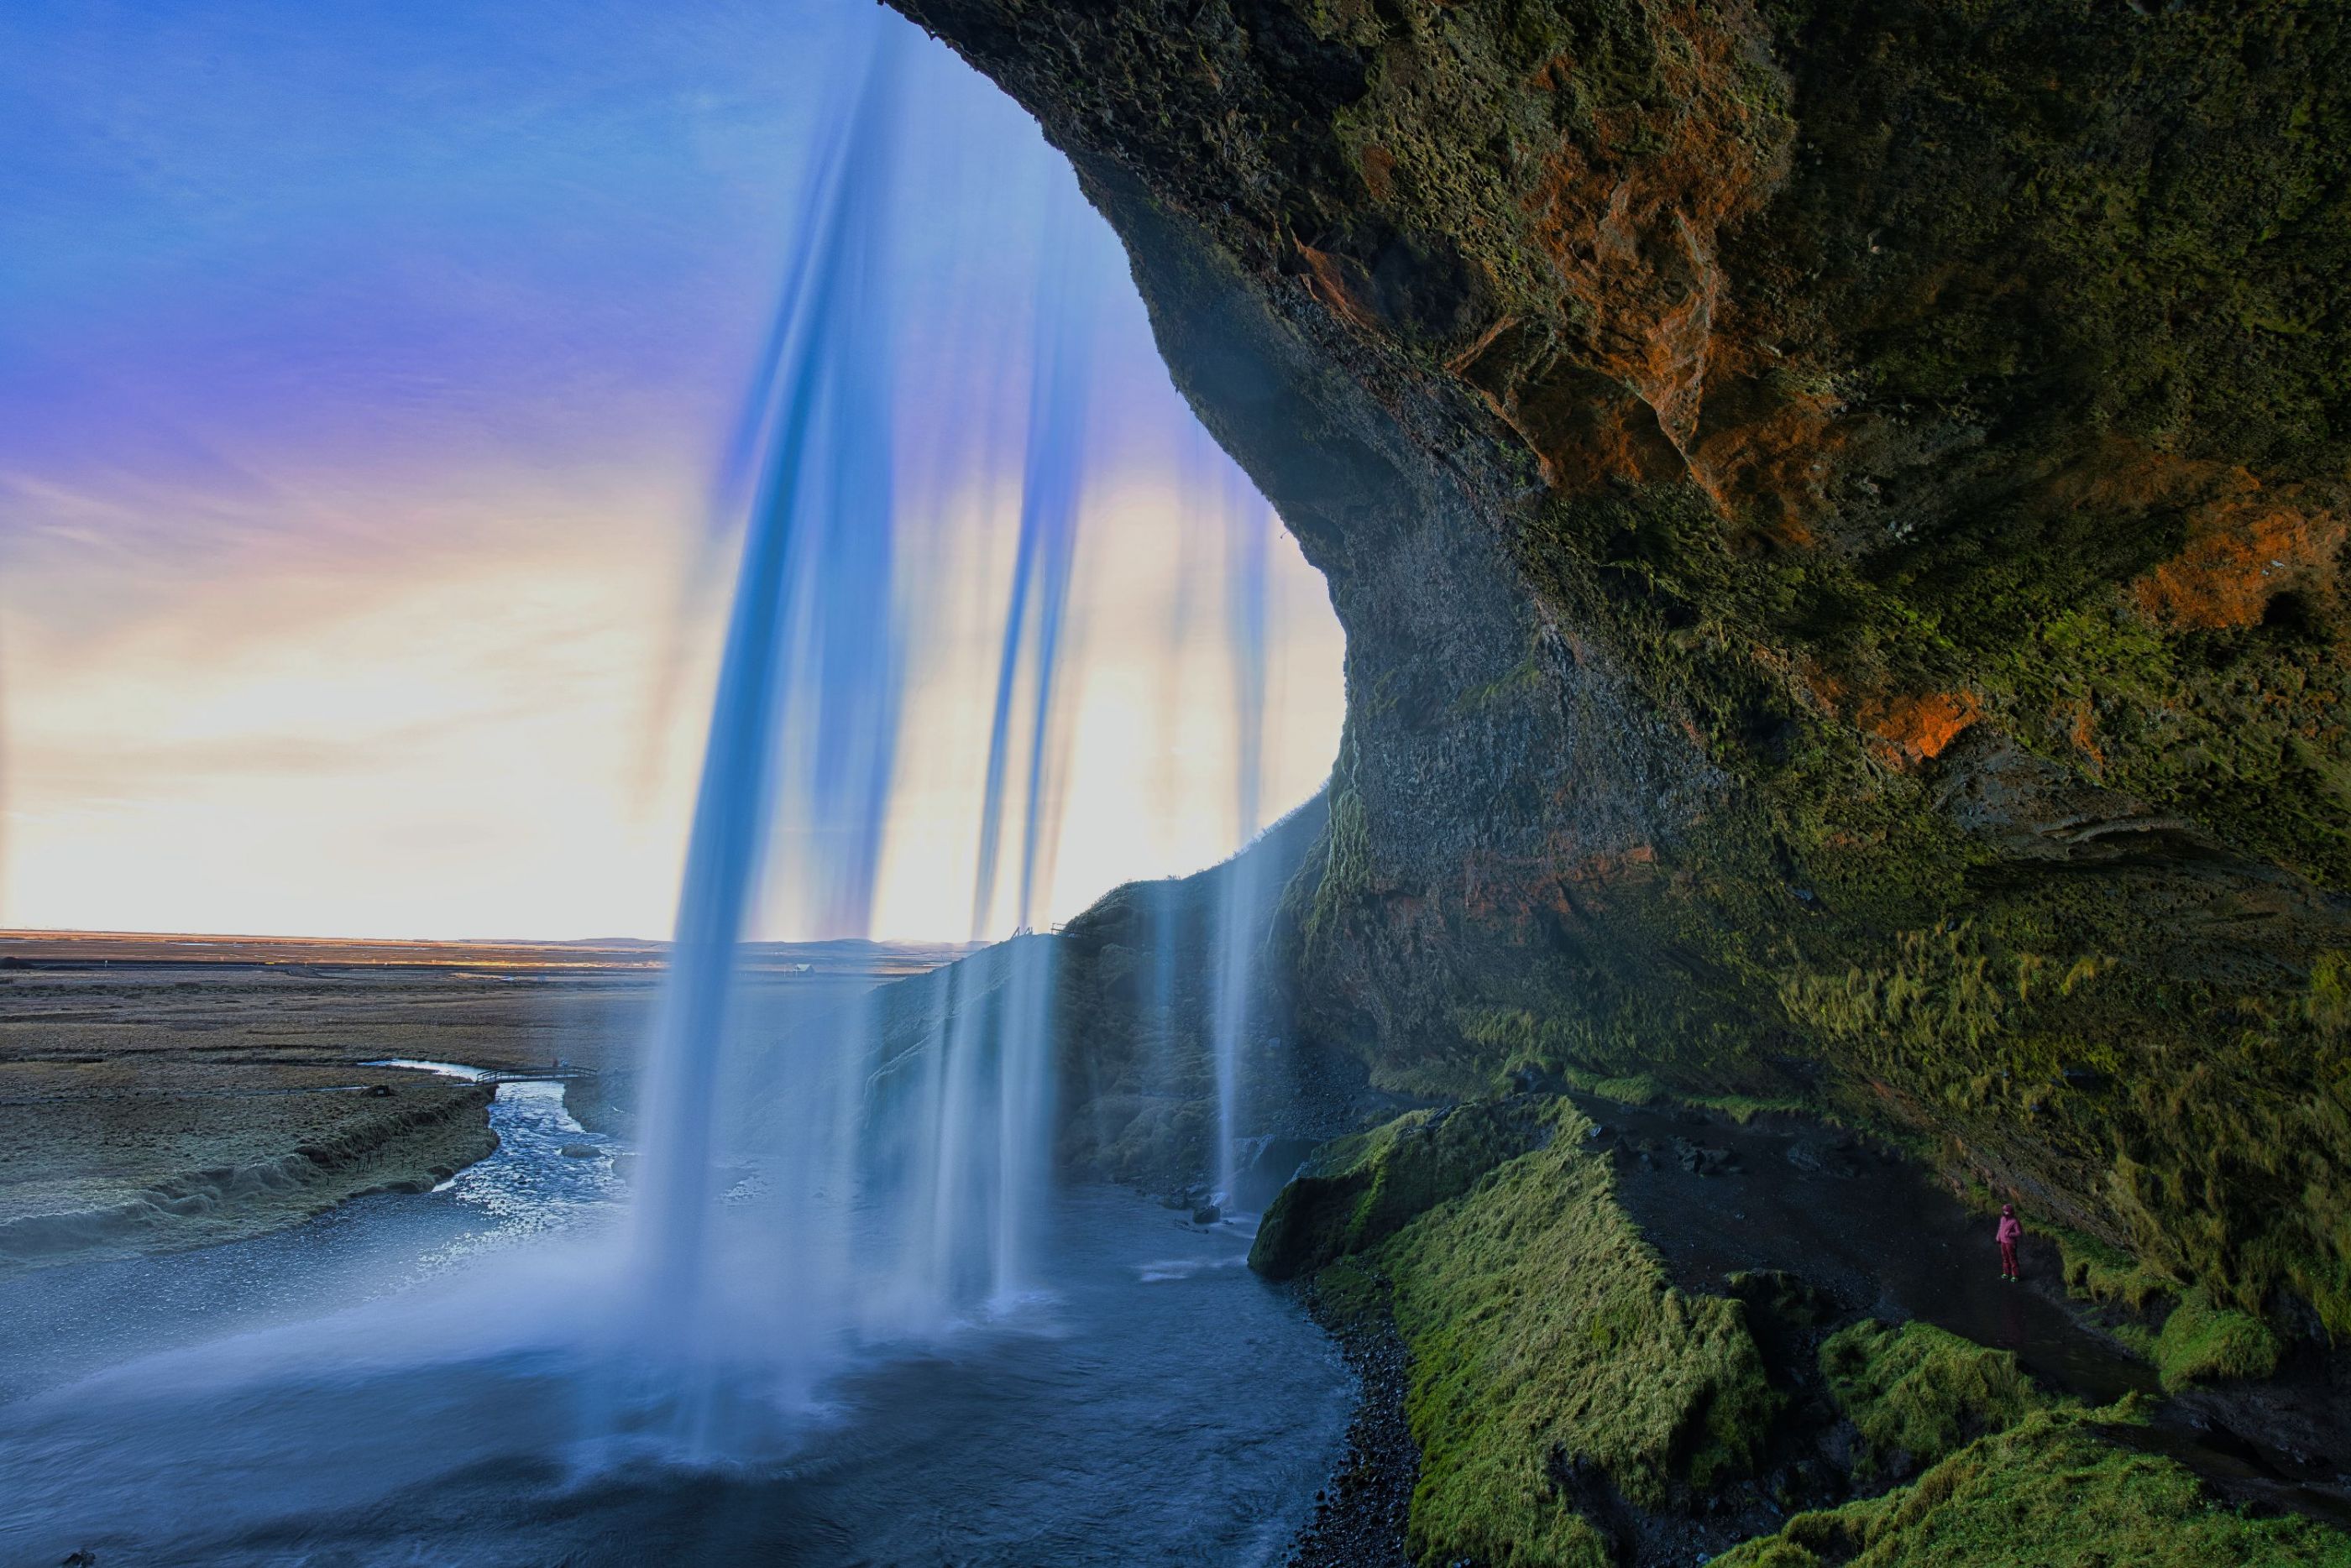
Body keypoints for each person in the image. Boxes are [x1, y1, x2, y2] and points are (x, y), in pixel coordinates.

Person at [1996, 1203, 2024, 1282]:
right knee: (2005, 1258)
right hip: (2003, 1242)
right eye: (2004, 1211)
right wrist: (1998, 1237)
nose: (2005, 1213)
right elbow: (2000, 1228)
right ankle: (2006, 1273)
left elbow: (2019, 1233)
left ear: (2011, 1212)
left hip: (2010, 1243)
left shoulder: (2014, 1221)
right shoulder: (2002, 1219)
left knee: (2012, 1259)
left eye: (2007, 1211)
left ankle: (2015, 1275)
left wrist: (2009, 1234)